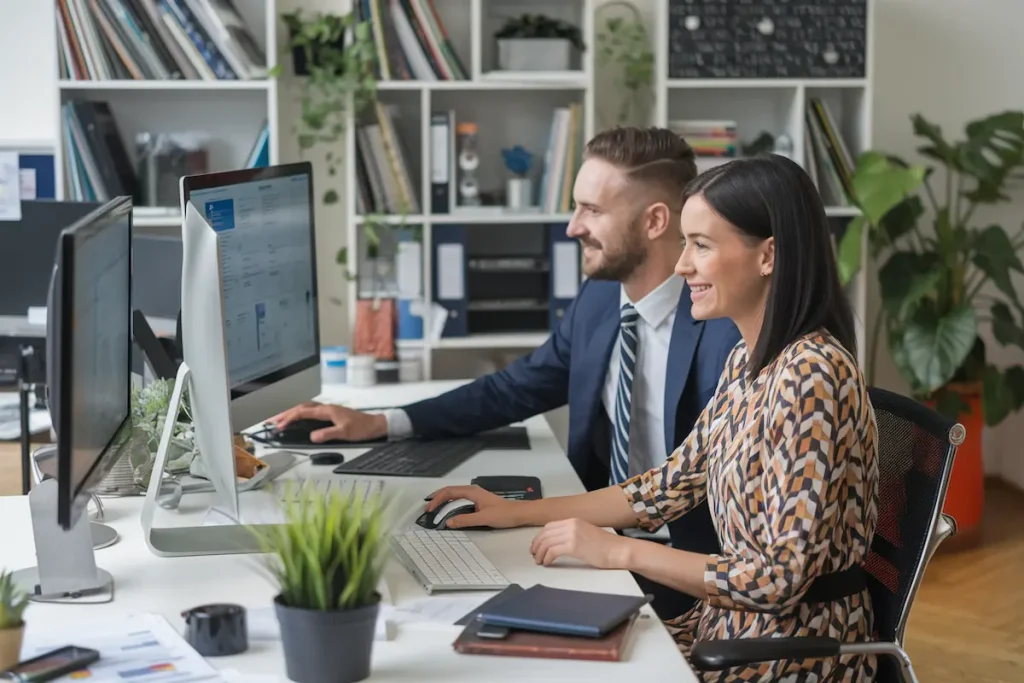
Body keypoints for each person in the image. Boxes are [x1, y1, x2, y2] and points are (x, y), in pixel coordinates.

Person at [421, 154, 880, 682]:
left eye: (701, 245)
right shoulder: (749, 363)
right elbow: (663, 489)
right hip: (727, 630)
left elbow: (775, 580)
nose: (682, 264)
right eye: (685, 243)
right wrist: (515, 512)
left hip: (786, 653)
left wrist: (618, 551)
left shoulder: (812, 376)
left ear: (768, 256)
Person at [269, 127, 742, 619]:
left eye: (592, 211)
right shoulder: (601, 300)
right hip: (596, 543)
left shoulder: (727, 328)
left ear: (654, 221)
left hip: (690, 572)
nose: (572, 228)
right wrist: (385, 422)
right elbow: (516, 387)